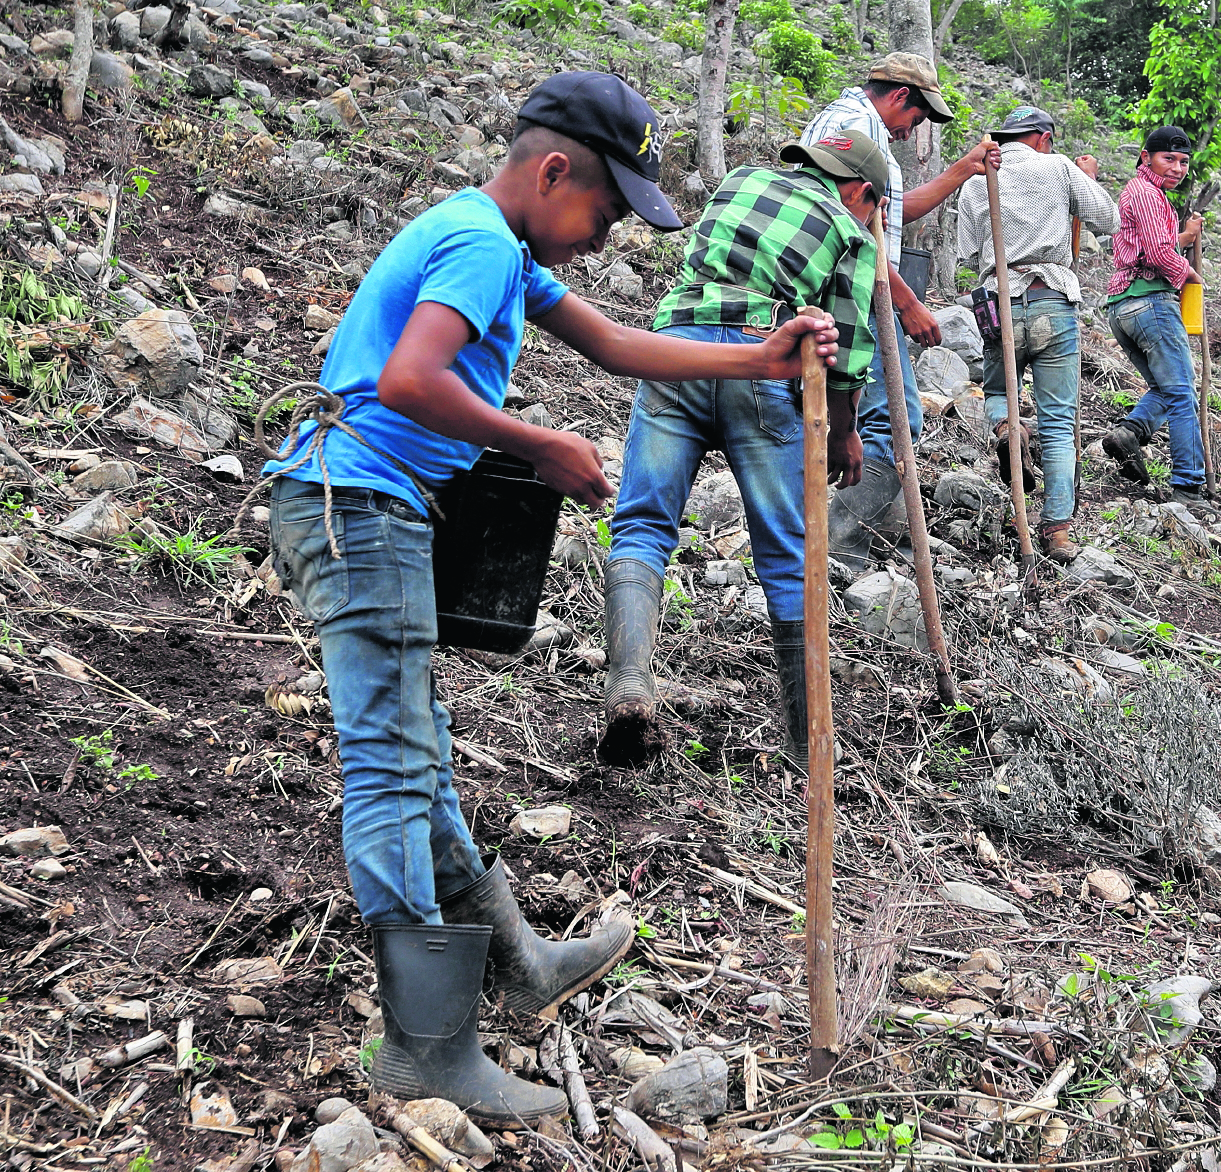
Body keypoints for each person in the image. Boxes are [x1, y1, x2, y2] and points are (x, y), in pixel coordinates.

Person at [263, 72, 841, 1127]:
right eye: (605, 212)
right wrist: (540, 445)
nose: (604, 236)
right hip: (360, 507)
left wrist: (758, 356)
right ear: (554, 170)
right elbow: (407, 380)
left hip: (372, 506)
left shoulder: (501, 245)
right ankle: (427, 1049)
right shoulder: (481, 243)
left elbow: (615, 344)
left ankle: (516, 961)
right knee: (391, 764)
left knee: (419, 745)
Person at [602, 133, 889, 772]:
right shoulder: (851, 230)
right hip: (757, 359)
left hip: (676, 351)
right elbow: (847, 348)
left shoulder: (740, 181)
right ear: (862, 192)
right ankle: (807, 744)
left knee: (642, 525)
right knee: (789, 555)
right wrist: (843, 433)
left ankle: (629, 682)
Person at [801, 53, 999, 565]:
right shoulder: (855, 125)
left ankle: (847, 534)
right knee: (896, 420)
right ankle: (837, 544)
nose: (914, 130)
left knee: (866, 415)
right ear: (899, 96)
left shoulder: (862, 128)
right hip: (855, 290)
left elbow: (891, 213)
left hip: (863, 288)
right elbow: (850, 225)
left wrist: (963, 170)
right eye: (918, 116)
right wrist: (906, 301)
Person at [956, 106, 1117, 564]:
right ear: (1043, 138)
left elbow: (968, 252)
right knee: (1060, 422)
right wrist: (1086, 179)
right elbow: (1109, 218)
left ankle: (1009, 429)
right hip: (1051, 299)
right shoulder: (1058, 167)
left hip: (999, 304)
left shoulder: (976, 181)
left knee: (996, 392)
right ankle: (1058, 530)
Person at [1100, 125, 1209, 505]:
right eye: (1169, 159)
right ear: (1146, 157)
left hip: (1123, 307)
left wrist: (1185, 236)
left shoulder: (1145, 193)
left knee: (1167, 388)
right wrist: (1190, 274)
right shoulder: (1147, 193)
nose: (1177, 168)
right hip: (1150, 303)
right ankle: (1188, 486)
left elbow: (1151, 245)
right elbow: (1159, 256)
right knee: (1182, 395)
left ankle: (1129, 432)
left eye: (1183, 162)